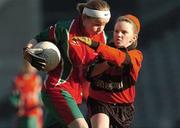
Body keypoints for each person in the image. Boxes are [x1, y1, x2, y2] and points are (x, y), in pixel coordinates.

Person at [23, 0, 111, 127]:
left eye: (104, 25)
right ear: (84, 17)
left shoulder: (103, 38)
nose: (101, 29)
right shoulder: (64, 29)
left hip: (76, 96)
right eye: (97, 24)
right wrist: (27, 50)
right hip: (57, 88)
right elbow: (38, 38)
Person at [73, 14, 143, 128]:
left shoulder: (136, 56)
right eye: (116, 31)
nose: (118, 35)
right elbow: (89, 74)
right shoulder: (104, 51)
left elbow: (121, 58)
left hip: (123, 108)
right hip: (99, 101)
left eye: (124, 32)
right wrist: (108, 62)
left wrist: (94, 44)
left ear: (133, 38)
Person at [10, 60, 43, 128]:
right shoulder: (17, 79)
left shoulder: (37, 79)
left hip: (34, 112)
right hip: (21, 113)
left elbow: (40, 94)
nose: (34, 68)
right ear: (25, 65)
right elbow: (13, 96)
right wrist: (17, 105)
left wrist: (41, 102)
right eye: (32, 65)